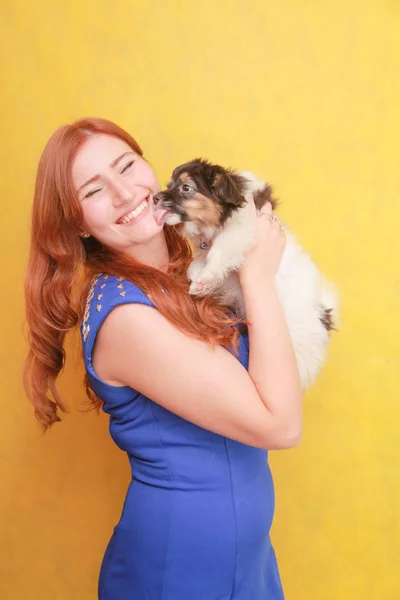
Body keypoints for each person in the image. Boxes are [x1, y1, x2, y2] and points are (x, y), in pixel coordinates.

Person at [24, 117, 303, 599]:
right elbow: (280, 425)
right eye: (93, 191)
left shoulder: (187, 268)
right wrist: (257, 274)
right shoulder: (125, 317)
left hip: (247, 560)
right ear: (77, 224)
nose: (125, 193)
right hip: (180, 570)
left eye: (127, 165)